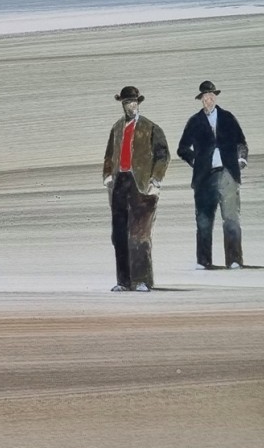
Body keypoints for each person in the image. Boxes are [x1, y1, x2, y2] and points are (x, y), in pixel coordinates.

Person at [103, 86, 170, 292]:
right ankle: (123, 281)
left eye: (133, 102)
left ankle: (142, 281)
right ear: (122, 105)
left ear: (138, 103)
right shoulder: (116, 128)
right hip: (120, 183)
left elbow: (163, 155)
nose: (130, 106)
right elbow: (109, 155)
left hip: (141, 184)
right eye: (126, 102)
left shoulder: (150, 127)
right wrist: (107, 175)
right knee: (119, 234)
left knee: (140, 234)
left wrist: (156, 180)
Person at [177, 80, 248, 270]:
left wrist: (241, 160)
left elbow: (241, 142)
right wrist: (196, 161)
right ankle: (204, 261)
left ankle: (234, 259)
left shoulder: (228, 118)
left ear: (215, 97)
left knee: (231, 218)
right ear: (200, 100)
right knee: (203, 219)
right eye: (205, 97)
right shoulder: (194, 121)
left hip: (228, 173)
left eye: (211, 96)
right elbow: (182, 148)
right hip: (204, 177)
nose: (208, 100)